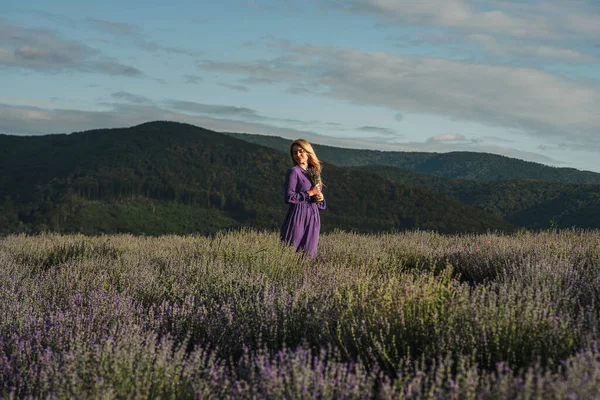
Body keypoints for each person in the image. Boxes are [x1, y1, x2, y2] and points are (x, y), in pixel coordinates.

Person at [280, 139, 326, 258]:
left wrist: (320, 198)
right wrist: (309, 193)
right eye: (295, 152)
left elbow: (320, 205)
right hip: (298, 216)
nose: (298, 155)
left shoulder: (314, 173)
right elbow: (289, 197)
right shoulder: (294, 172)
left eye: (301, 151)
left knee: (309, 254)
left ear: (308, 152)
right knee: (291, 253)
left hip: (313, 217)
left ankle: (304, 277)